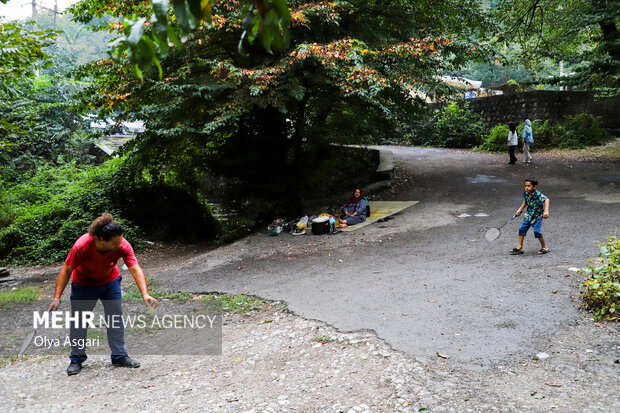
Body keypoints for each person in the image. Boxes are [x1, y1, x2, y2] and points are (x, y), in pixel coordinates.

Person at [48, 213, 159, 375]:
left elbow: (135, 268)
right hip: (84, 285)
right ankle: (76, 359)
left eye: (120, 240)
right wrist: (56, 298)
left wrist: (145, 294)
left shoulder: (122, 245)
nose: (120, 244)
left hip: (110, 283)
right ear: (100, 239)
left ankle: (119, 355)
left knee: (115, 318)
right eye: (115, 242)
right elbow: (66, 270)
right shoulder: (82, 246)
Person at [510, 178, 550, 255]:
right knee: (522, 229)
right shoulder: (526, 193)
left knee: (537, 232)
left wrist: (546, 211)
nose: (526, 187)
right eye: (525, 186)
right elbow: (525, 202)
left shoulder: (537, 194)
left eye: (529, 186)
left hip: (537, 216)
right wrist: (519, 210)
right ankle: (520, 247)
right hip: (528, 215)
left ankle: (545, 247)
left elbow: (546, 199)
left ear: (535, 187)